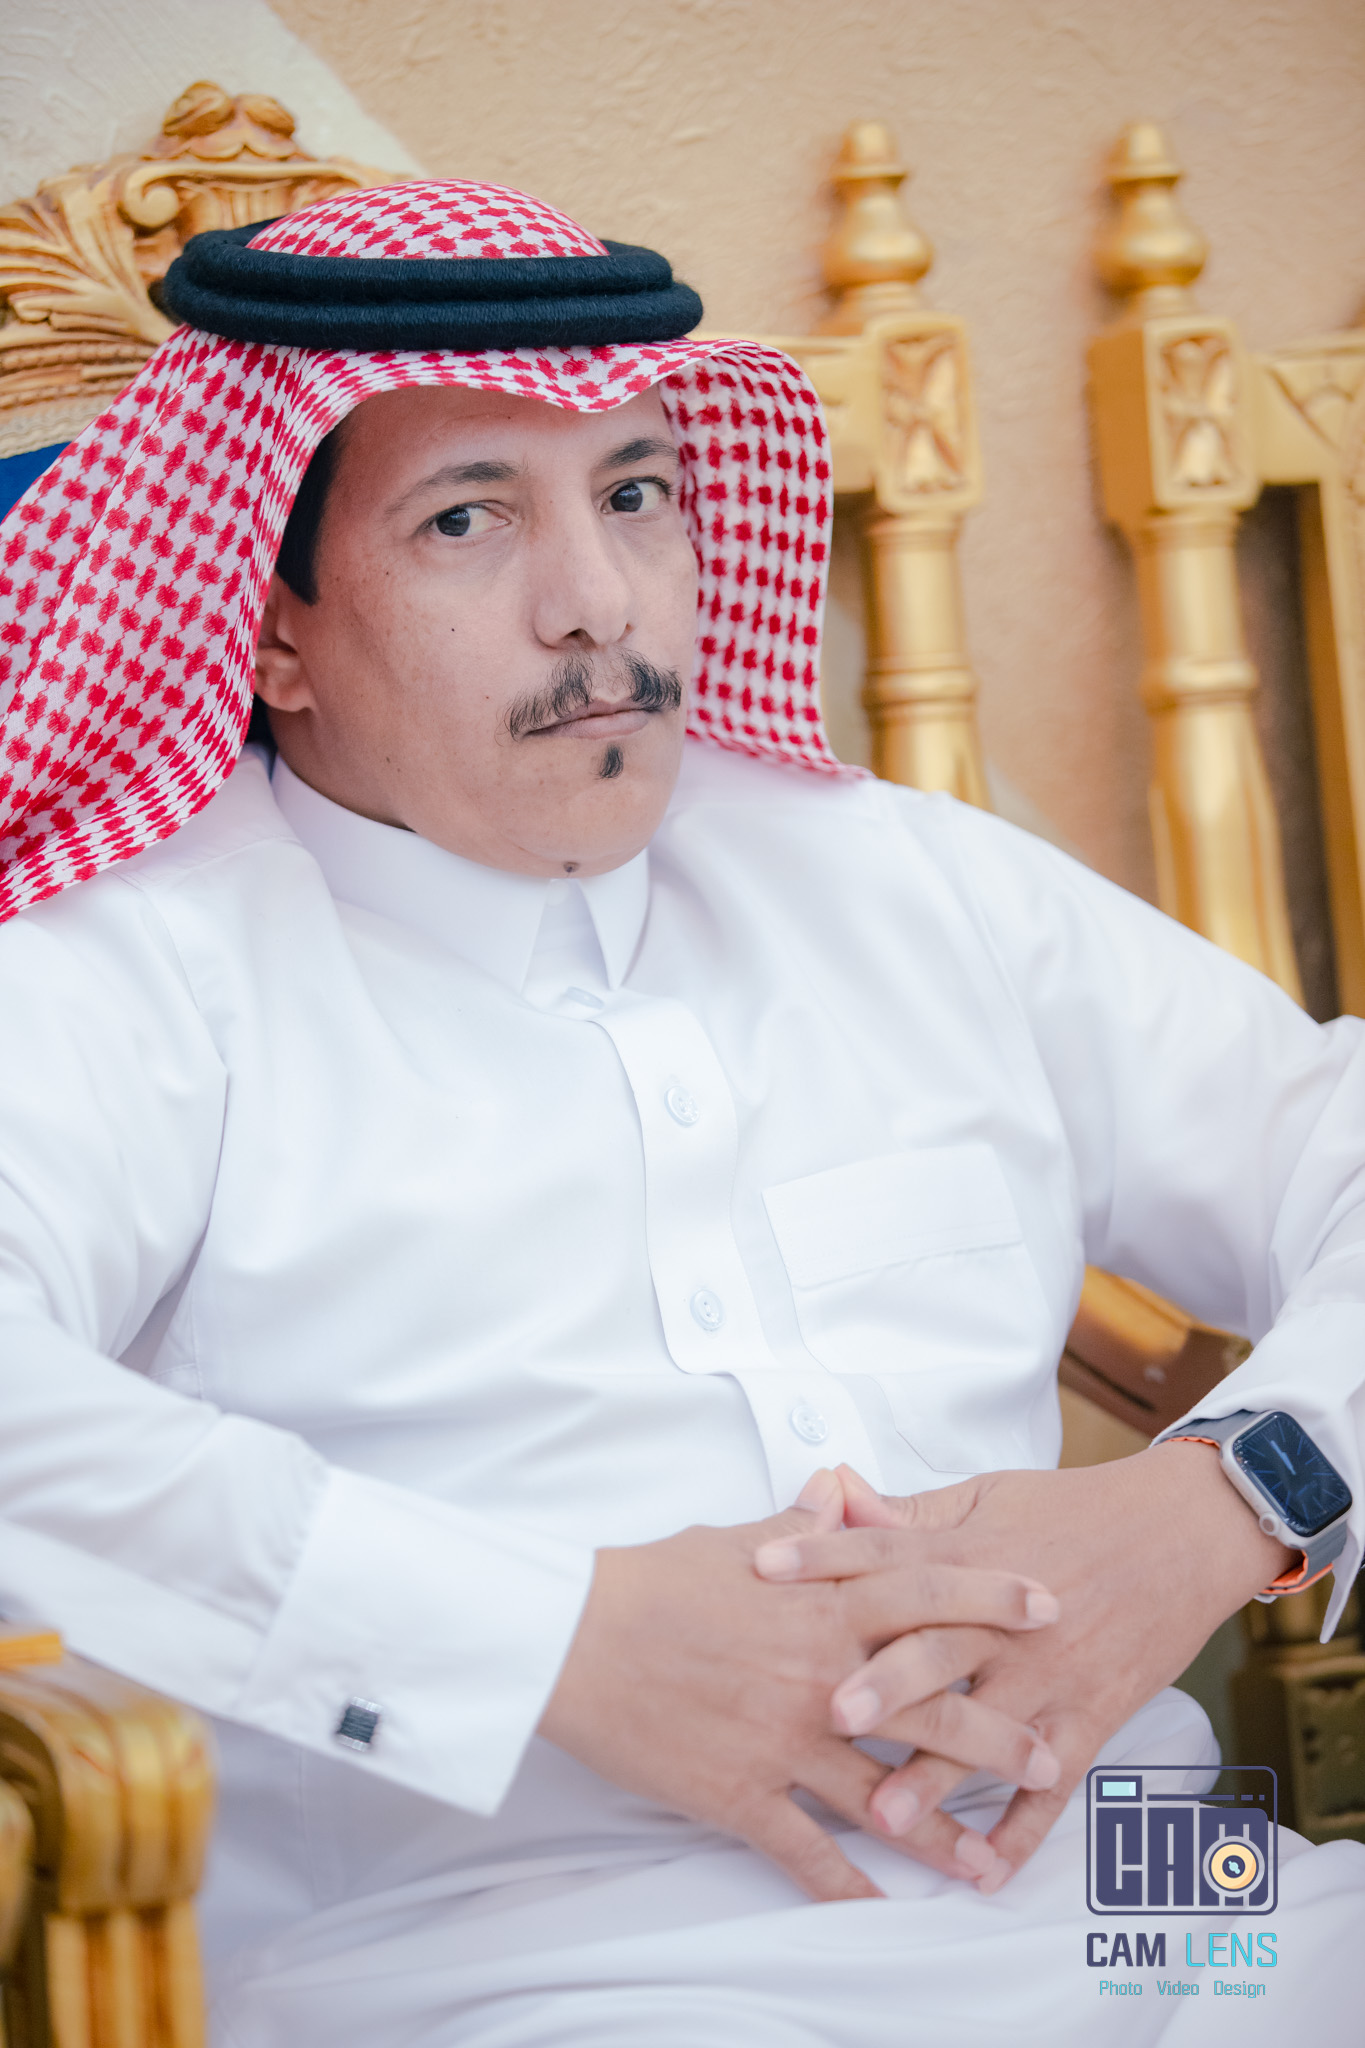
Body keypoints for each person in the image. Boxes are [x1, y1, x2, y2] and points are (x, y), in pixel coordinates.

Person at [0, 178, 1362, 2046]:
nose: (600, 602)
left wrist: (1232, 1498)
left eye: (636, 493)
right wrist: (549, 1642)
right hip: (524, 1973)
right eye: (469, 517)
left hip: (1165, 1909)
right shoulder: (127, 976)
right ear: (274, 625)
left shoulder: (895, 879)